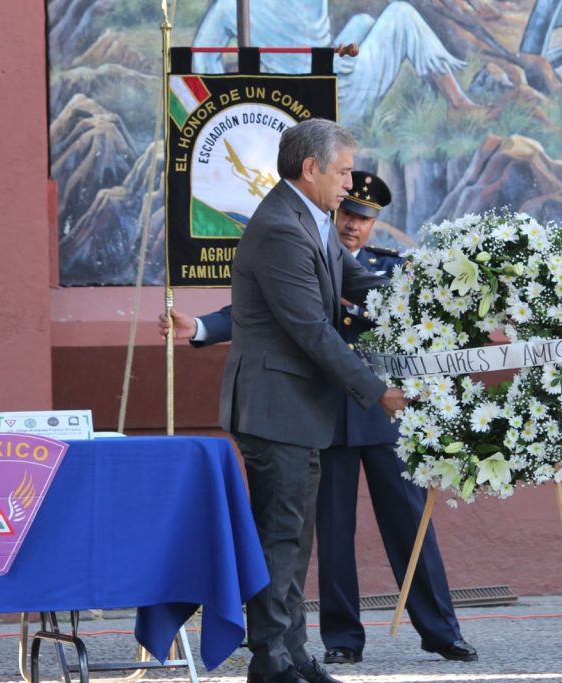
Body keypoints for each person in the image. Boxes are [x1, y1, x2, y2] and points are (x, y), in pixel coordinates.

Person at [161, 171, 477, 666]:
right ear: (334, 212)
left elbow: (419, 316)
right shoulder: (304, 251)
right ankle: (342, 637)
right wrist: (199, 326)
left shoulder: (389, 271)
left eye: (364, 219)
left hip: (381, 410)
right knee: (329, 529)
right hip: (323, 410)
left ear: (375, 225)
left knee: (409, 521)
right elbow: (250, 311)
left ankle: (441, 630)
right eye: (348, 214)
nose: (354, 226)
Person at [213, 118, 408, 683]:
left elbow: (360, 283)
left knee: (295, 537)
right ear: (311, 169)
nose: (349, 183)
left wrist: (443, 286)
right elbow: (312, 330)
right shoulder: (280, 227)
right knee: (280, 534)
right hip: (276, 407)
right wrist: (377, 393)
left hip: (299, 410)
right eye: (344, 170)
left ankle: (294, 654)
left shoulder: (312, 219)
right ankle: (269, 660)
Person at [191, 1, 475, 124]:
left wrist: (235, 104)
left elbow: (201, 62)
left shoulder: (227, 7)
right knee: (401, 13)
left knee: (361, 22)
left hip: (298, 99)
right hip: (334, 101)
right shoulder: (232, 7)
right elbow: (201, 60)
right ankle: (458, 104)